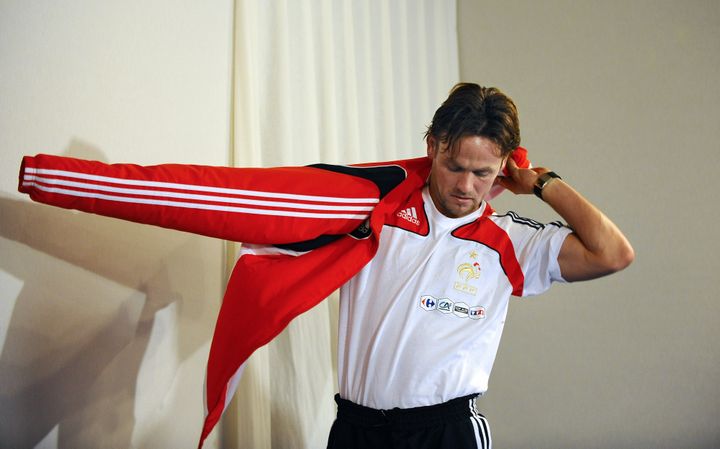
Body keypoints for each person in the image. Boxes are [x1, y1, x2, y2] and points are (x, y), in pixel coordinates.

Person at [326, 83, 634, 449]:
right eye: (454, 166)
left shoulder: (511, 240)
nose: (465, 185)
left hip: (446, 432)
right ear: (432, 147)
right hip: (355, 428)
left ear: (504, 165)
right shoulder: (375, 210)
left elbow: (613, 253)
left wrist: (542, 183)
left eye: (482, 173)